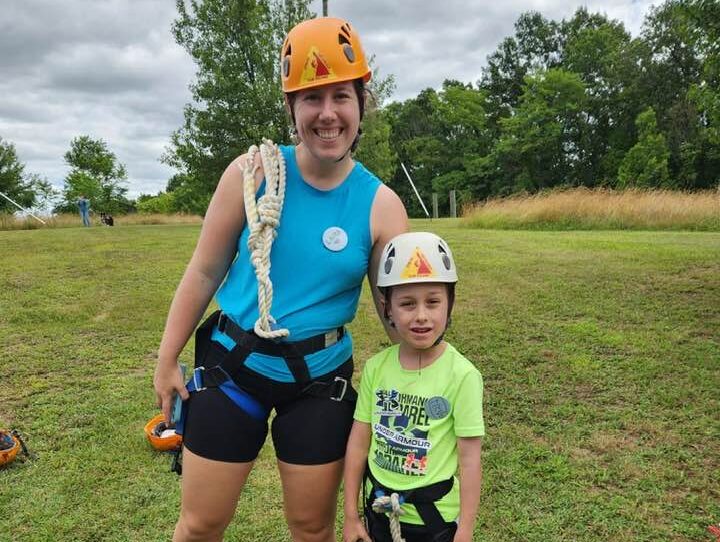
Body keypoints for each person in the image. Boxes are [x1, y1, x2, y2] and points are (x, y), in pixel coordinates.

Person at [152, 16, 408, 542]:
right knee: (200, 525)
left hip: (319, 385)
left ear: (363, 102)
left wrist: (427, 370)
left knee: (312, 528)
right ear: (291, 107)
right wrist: (166, 357)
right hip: (232, 372)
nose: (328, 114)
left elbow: (397, 317)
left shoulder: (382, 207)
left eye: (341, 95)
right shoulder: (250, 175)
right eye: (311, 98)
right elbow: (203, 271)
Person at [343, 232, 485, 542]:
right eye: (407, 303)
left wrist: (466, 529)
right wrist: (351, 515)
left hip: (435, 521)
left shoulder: (463, 375)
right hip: (378, 512)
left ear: (450, 303)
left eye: (433, 302)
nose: (421, 315)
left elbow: (470, 458)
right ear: (387, 308)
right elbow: (358, 443)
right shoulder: (376, 368)